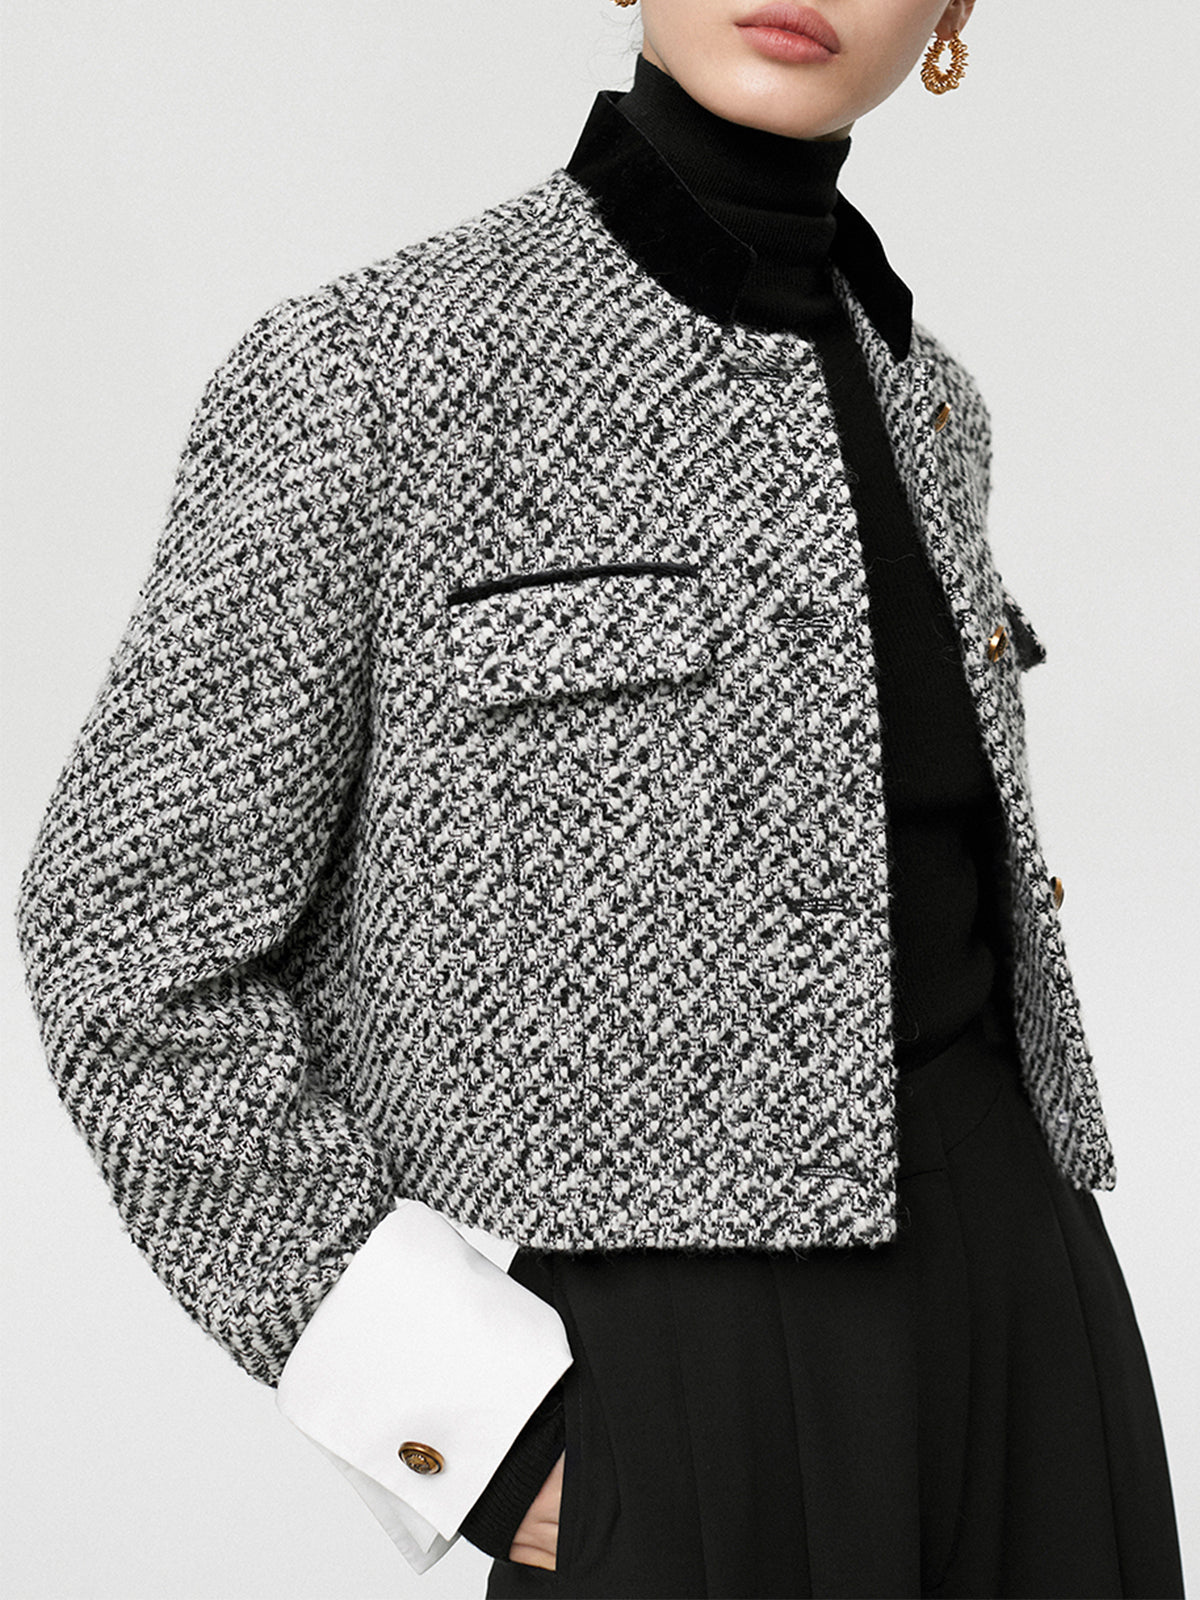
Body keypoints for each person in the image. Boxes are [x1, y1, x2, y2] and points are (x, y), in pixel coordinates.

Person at [13, 1, 1185, 1596]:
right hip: (676, 1384)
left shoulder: (936, 406)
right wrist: (461, 1419)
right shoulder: (370, 375)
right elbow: (121, 944)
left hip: (1034, 1322)